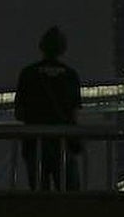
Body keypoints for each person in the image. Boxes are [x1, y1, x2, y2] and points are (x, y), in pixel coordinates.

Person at [15, 26, 82, 190]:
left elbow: (19, 113)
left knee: (39, 196)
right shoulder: (70, 75)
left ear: (41, 46)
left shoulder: (28, 73)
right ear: (62, 48)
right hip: (63, 141)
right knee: (69, 195)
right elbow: (74, 114)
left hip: (34, 141)